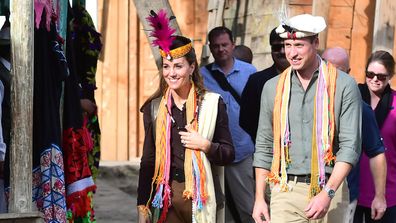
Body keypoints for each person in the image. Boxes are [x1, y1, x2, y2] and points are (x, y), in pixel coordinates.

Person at [253, 14, 362, 223]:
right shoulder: (272, 87)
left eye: (299, 45)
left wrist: (327, 194)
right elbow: (264, 145)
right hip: (285, 188)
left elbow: (350, 147)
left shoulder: (344, 85)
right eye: (287, 45)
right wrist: (259, 198)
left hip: (332, 188)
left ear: (316, 43)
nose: (292, 53)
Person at [137, 10, 235, 223]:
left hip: (201, 195)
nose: (171, 73)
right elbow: (148, 160)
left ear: (191, 67)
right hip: (164, 196)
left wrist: (206, 145)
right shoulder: (154, 108)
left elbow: (228, 154)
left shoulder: (212, 104)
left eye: (178, 66)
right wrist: (142, 205)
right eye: (166, 66)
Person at [322, 47, 387, 223]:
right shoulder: (301, 98)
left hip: (343, 193)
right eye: (327, 69)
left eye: (339, 71)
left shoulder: (360, 108)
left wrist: (379, 196)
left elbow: (377, 153)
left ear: (348, 73)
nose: (332, 76)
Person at [200, 26, 257, 223]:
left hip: (242, 149)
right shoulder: (202, 75)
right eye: (216, 46)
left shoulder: (250, 72)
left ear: (233, 45)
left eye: (224, 45)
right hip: (214, 151)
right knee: (220, 209)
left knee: (248, 208)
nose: (221, 49)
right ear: (211, 48)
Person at [354, 50, 396, 223]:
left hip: (388, 192)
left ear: (391, 76)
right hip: (351, 189)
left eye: (381, 76)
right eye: (370, 74)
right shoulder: (352, 97)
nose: (375, 79)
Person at [239, 27, 289, 142]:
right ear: (271, 49)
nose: (282, 51)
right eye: (277, 47)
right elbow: (246, 120)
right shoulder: (257, 81)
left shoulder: (307, 79)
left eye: (286, 46)